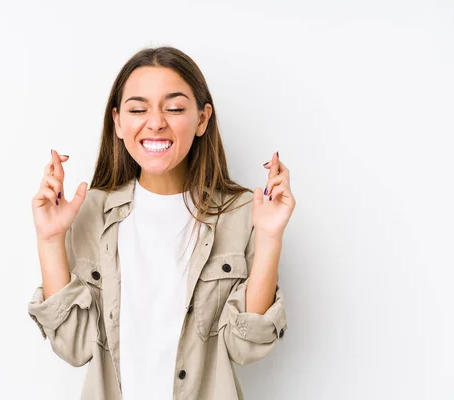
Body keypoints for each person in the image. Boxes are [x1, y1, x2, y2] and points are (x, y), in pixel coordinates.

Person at [28, 46, 296, 400]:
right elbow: (75, 347)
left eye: (174, 108)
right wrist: (49, 239)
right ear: (118, 123)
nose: (155, 122)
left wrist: (270, 236)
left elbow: (246, 346)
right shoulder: (90, 212)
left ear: (202, 119)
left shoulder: (242, 213)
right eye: (138, 109)